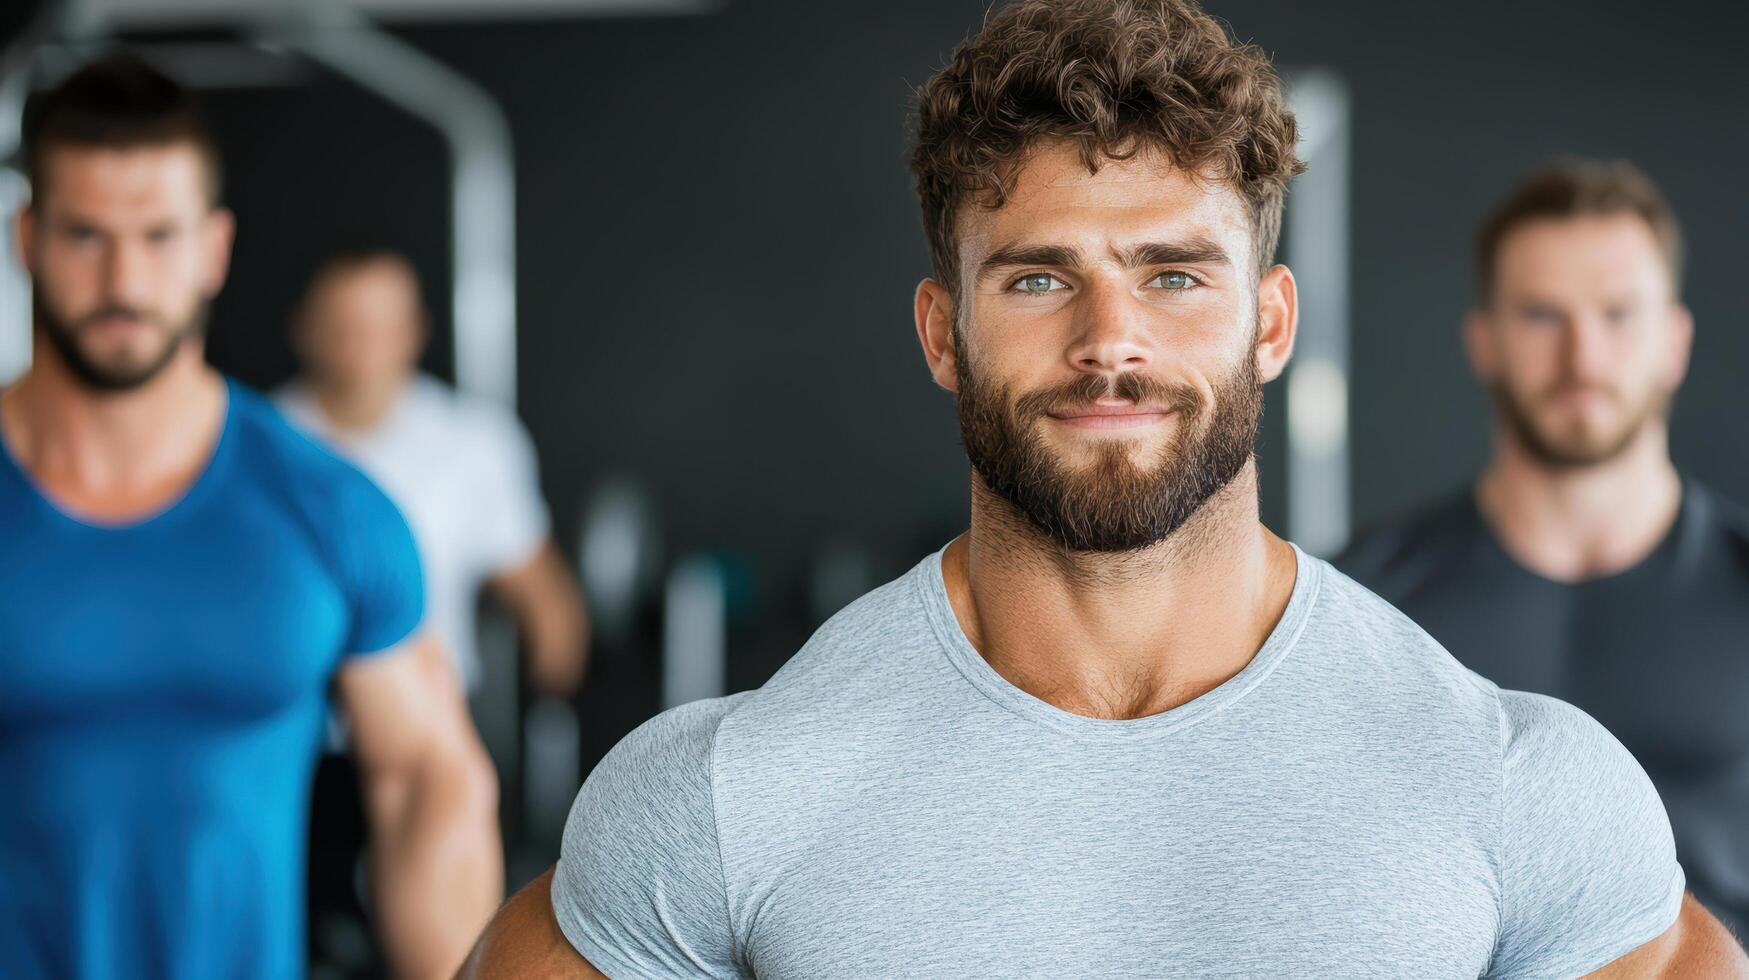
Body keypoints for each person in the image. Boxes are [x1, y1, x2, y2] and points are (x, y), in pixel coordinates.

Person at [462, 1, 1748, 975]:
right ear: (941, 331)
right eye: (1036, 277)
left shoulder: (1521, 786)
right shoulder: (728, 795)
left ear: (1272, 322)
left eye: (1177, 274)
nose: (1110, 338)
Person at [0, 55, 501, 979]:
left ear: (214, 247)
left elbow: (426, 780)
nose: (124, 279)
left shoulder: (328, 509)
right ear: (27, 239)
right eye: (85, 236)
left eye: (158, 235)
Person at [1338, 161, 1749, 936]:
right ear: (1482, 342)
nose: (1581, 356)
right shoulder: (1366, 604)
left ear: (1674, 340)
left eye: (1618, 314)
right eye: (1540, 315)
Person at [276, 249, 588, 701]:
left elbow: (540, 592)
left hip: (434, 724)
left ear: (414, 331)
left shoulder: (472, 441)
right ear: (305, 329)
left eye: (380, 327)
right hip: (294, 731)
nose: (362, 346)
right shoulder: (257, 443)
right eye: (345, 326)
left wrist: (553, 701)